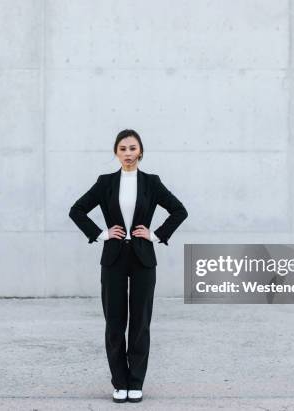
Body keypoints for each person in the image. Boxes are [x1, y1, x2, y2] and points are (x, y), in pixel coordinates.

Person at [69, 129, 188, 403]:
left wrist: (157, 234)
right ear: (116, 153)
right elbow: (77, 210)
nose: (128, 153)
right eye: (122, 149)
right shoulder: (105, 182)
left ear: (141, 152)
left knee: (140, 322)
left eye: (132, 148)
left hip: (143, 258)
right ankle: (119, 382)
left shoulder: (152, 182)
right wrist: (101, 233)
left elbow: (179, 210)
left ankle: (136, 382)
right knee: (114, 323)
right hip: (113, 258)